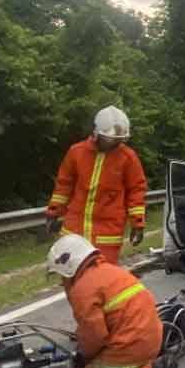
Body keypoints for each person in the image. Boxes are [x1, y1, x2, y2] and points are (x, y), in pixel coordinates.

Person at [46, 234, 184, 368]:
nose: (62, 282)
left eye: (61, 276)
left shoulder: (82, 289)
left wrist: (84, 356)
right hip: (152, 338)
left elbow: (95, 337)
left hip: (131, 347)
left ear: (68, 267)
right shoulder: (111, 271)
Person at [46, 106, 148, 264]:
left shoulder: (128, 157)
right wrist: (54, 212)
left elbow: (136, 191)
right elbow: (63, 186)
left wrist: (138, 223)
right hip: (74, 229)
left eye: (119, 139)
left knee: (102, 275)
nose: (115, 143)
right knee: (70, 272)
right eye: (111, 139)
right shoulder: (76, 152)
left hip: (107, 233)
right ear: (96, 133)